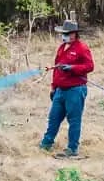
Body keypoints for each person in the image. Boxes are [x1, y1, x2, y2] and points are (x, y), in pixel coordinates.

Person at [39, 19, 93, 158]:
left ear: (74, 34)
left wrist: (73, 68)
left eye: (67, 33)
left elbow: (90, 66)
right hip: (60, 90)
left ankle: (72, 149)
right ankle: (46, 143)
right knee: (53, 118)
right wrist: (53, 87)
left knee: (74, 120)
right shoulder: (61, 48)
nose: (64, 36)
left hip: (75, 90)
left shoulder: (82, 48)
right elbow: (56, 68)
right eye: (63, 33)